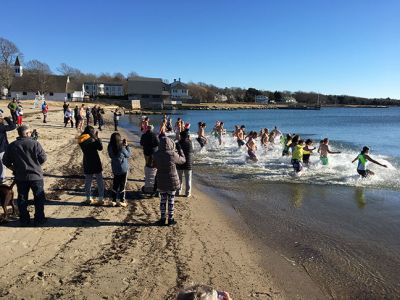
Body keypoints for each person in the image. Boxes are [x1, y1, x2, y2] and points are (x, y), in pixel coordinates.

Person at [2, 125, 47, 226]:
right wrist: (36, 165)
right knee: (38, 199)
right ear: (26, 133)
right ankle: (39, 219)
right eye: (30, 132)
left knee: (22, 199)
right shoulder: (35, 143)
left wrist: (14, 169)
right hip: (36, 176)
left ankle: (24, 220)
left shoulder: (12, 145)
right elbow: (43, 158)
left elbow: (5, 161)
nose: (31, 133)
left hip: (21, 177)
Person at [153, 137, 186, 226]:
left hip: (161, 179)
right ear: (171, 144)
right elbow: (183, 160)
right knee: (171, 200)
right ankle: (170, 220)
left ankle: (163, 219)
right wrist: (180, 149)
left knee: (163, 200)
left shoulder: (156, 154)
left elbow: (154, 165)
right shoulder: (173, 154)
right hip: (172, 180)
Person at [78, 126, 104, 205]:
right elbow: (100, 148)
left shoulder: (81, 139)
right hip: (95, 161)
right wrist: (97, 138)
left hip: (87, 161)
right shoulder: (92, 140)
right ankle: (101, 198)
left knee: (88, 181)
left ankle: (88, 198)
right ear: (91, 132)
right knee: (99, 181)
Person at [108, 132, 131, 207]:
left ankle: (113, 200)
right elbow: (128, 155)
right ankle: (122, 200)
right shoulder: (121, 147)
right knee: (122, 184)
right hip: (123, 169)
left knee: (115, 183)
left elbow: (111, 156)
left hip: (115, 168)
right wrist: (127, 146)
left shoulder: (110, 147)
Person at [177, 128, 193, 197]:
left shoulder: (178, 143)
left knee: (179, 179)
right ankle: (187, 193)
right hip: (188, 163)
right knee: (188, 179)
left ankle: (178, 191)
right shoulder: (189, 143)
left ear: (181, 136)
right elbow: (192, 151)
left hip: (180, 162)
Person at [0, 113, 16, 183]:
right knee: (3, 164)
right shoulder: (1, 127)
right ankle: (2, 178)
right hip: (1, 148)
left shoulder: (2, 126)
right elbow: (13, 126)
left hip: (2, 147)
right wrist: (7, 118)